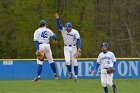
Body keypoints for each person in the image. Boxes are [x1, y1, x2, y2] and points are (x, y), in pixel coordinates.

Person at [55, 13, 82, 82]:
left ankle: (76, 77)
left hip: (73, 48)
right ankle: (70, 73)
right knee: (67, 62)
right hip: (66, 48)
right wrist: (57, 19)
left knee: (75, 62)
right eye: (67, 28)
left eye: (68, 28)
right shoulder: (63, 30)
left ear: (71, 28)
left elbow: (79, 40)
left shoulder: (75, 32)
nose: (67, 30)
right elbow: (59, 25)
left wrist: (79, 48)